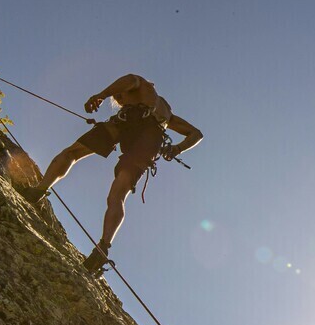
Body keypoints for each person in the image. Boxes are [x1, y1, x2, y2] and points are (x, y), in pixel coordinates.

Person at [18, 73, 203, 274]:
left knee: (72, 153)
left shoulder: (139, 84)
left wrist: (101, 95)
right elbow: (196, 134)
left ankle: (40, 189)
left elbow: (131, 80)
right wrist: (176, 149)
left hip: (126, 124)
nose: (120, 100)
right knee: (118, 193)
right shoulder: (165, 111)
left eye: (120, 98)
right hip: (151, 137)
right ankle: (103, 247)